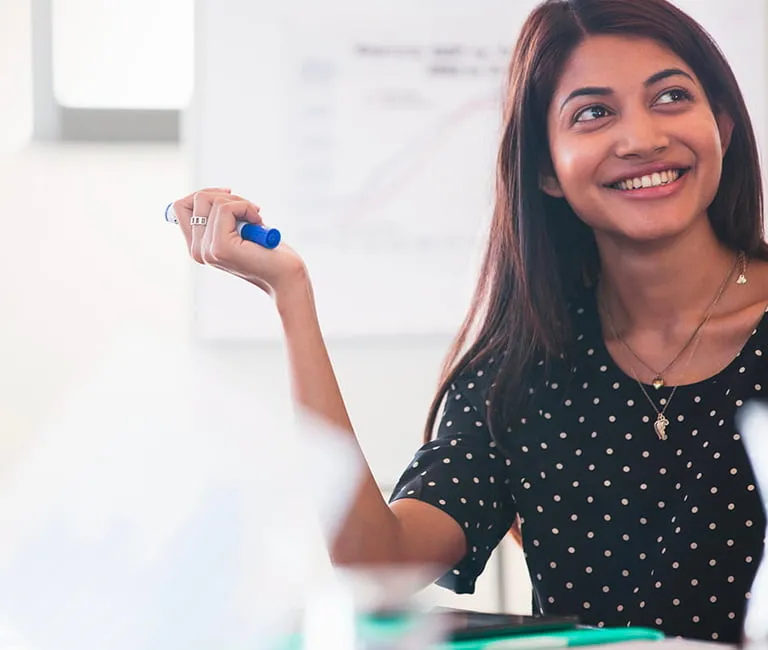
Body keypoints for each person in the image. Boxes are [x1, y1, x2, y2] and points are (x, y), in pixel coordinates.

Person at [170, 0, 768, 643]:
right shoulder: (520, 371)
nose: (643, 138)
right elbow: (380, 563)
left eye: (672, 97)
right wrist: (290, 294)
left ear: (723, 127)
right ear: (545, 169)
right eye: (593, 113)